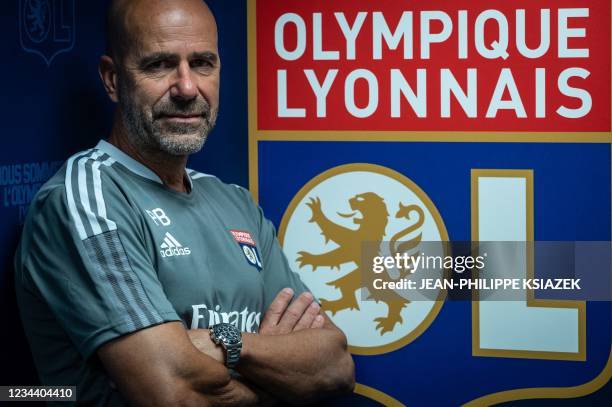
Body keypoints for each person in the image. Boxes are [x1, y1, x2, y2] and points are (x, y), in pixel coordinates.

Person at [14, 0, 355, 405]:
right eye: (159, 65)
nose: (187, 88)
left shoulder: (233, 201)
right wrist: (276, 373)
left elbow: (335, 365)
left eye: (202, 63)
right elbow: (174, 395)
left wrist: (224, 345)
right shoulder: (85, 199)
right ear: (112, 79)